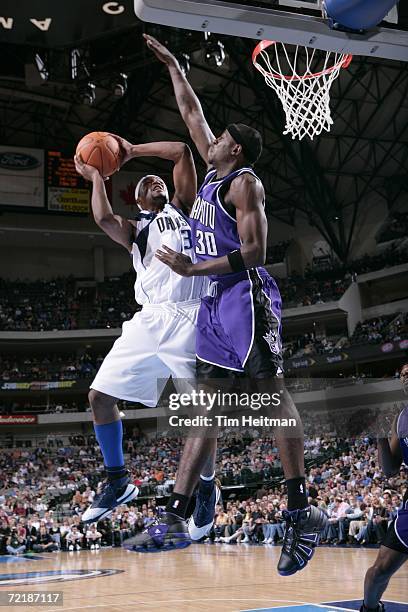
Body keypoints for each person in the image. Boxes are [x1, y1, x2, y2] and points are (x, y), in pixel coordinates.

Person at [132, 34, 328, 576]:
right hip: (214, 309)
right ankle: (175, 513)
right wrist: (174, 65)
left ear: (233, 149)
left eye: (217, 138)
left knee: (270, 393)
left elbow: (255, 251)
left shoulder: (244, 184)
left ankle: (299, 509)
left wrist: (193, 269)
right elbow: (191, 109)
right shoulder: (217, 172)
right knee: (206, 408)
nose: (208, 139)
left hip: (246, 297)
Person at [75, 138, 207, 535]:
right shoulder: (135, 229)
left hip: (191, 314)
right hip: (150, 320)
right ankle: (118, 480)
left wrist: (131, 151)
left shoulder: (185, 208)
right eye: (146, 183)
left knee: (203, 411)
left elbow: (182, 151)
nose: (155, 183)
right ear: (136, 198)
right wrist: (97, 176)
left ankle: (205, 487)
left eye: (157, 180)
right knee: (99, 397)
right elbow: (102, 218)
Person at [360, 362, 408, 612]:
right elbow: (390, 470)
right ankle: (370, 609)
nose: (406, 378)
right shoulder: (401, 419)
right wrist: (378, 433)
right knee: (378, 573)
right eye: (402, 375)